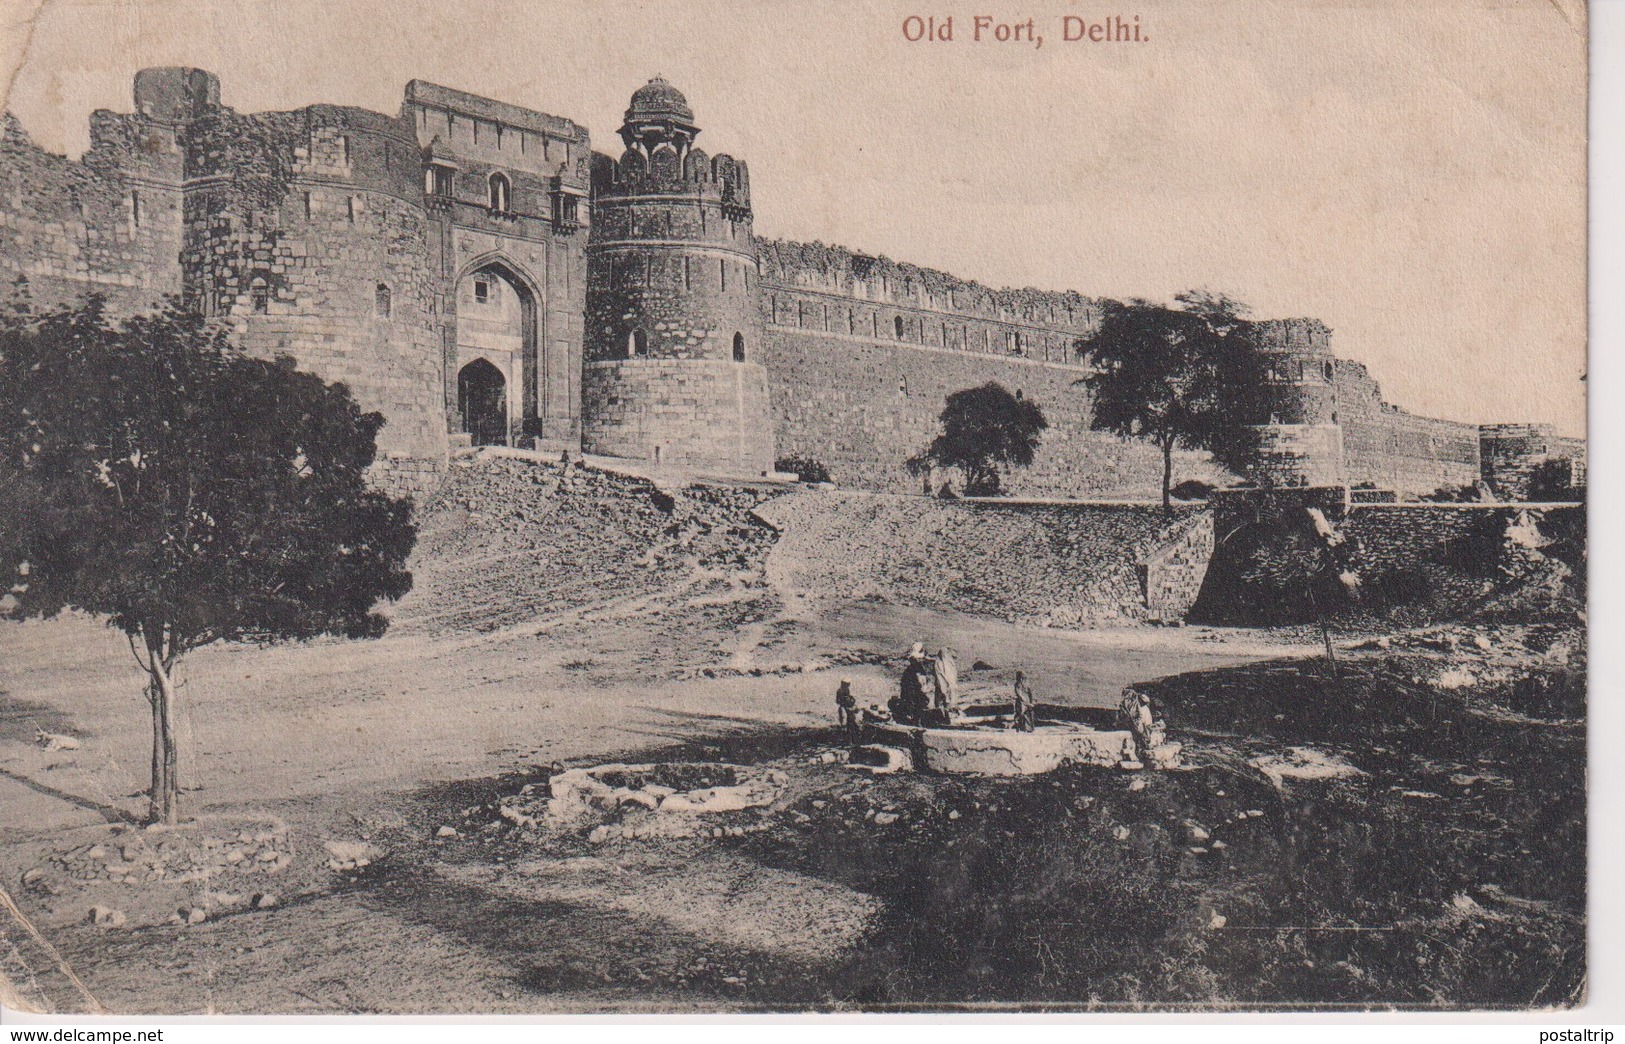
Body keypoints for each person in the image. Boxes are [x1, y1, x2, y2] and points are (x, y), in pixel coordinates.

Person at [931, 647, 959, 722]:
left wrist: (951, 683)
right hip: (941, 686)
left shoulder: (949, 662)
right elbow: (938, 675)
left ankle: (948, 717)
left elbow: (953, 674)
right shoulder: (938, 663)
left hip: (949, 686)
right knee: (941, 702)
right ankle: (942, 718)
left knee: (948, 702)